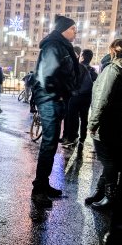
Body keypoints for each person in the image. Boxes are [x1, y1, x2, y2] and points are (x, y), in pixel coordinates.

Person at [30, 15, 79, 208]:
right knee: (49, 144)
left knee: (51, 144)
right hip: (51, 100)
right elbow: (45, 76)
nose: (76, 32)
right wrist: (56, 95)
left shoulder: (61, 46)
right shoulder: (53, 46)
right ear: (63, 29)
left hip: (56, 99)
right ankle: (38, 190)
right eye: (73, 28)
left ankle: (43, 184)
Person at [86, 39, 122, 210]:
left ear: (113, 51)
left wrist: (93, 123)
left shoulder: (113, 68)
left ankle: (110, 196)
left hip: (110, 123)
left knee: (108, 160)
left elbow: (101, 98)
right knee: (111, 160)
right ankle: (100, 191)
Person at [62, 49, 97, 147]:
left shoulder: (77, 67)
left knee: (72, 117)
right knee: (84, 118)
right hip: (87, 97)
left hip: (76, 96)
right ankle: (82, 138)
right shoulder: (93, 71)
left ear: (82, 56)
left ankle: (72, 138)